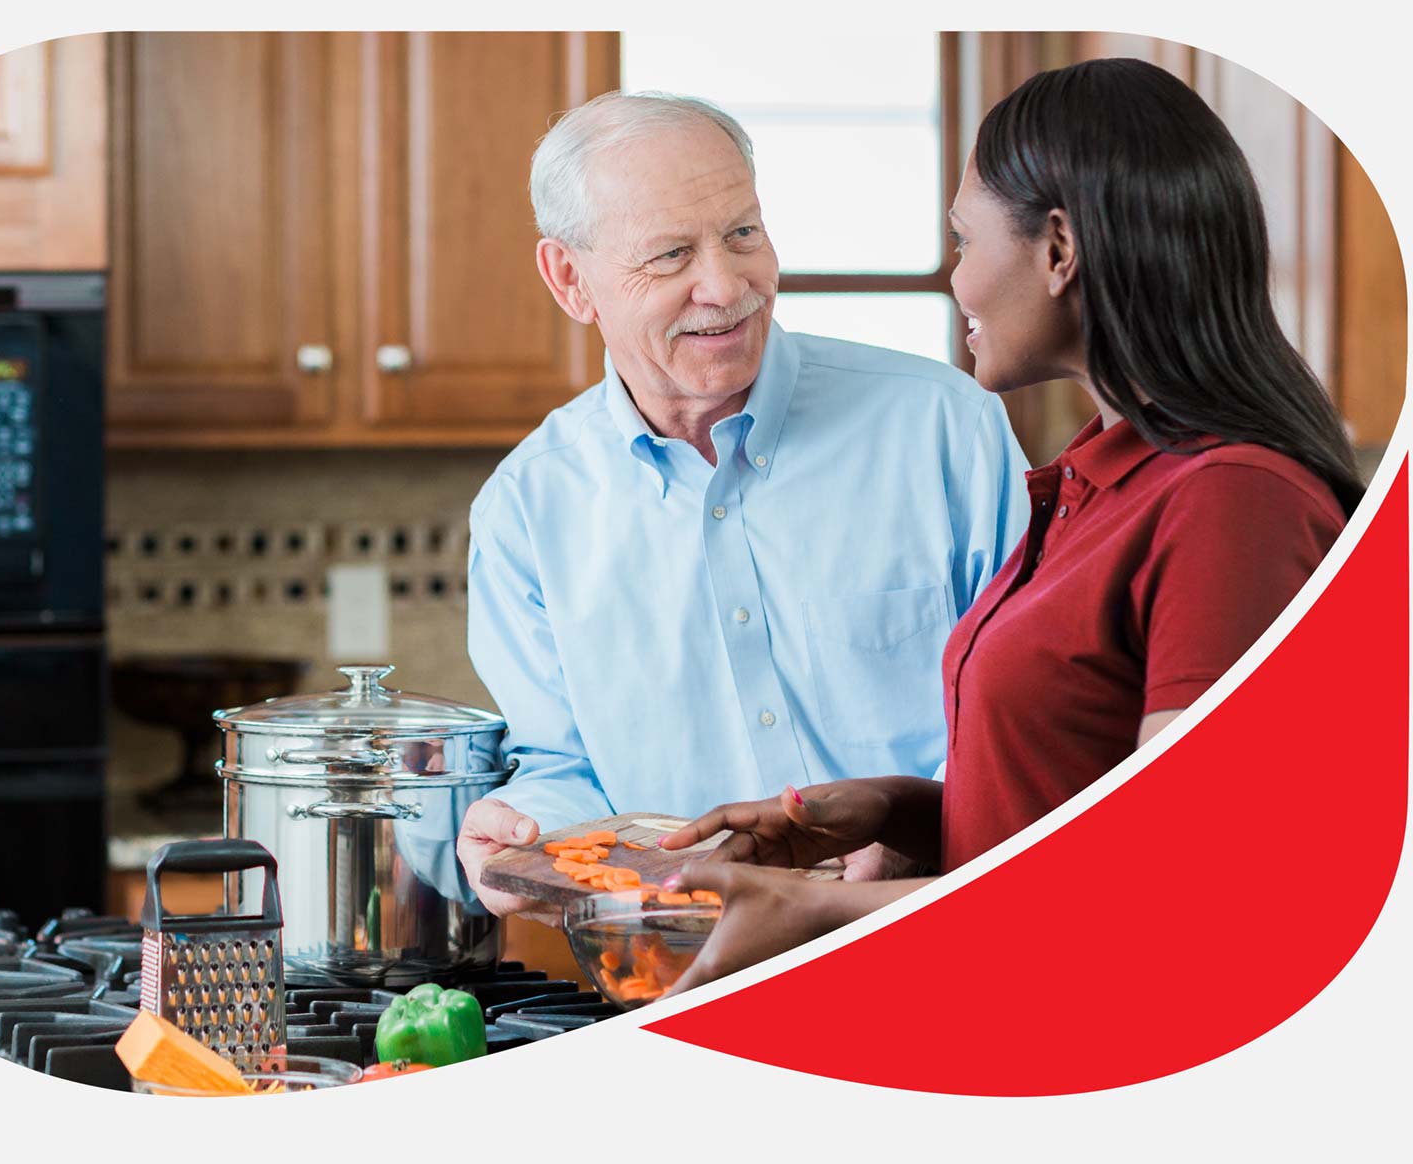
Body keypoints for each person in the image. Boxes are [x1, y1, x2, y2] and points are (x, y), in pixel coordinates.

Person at [660, 57, 1361, 990]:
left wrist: (819, 908)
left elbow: (1174, 878)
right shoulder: (1095, 484)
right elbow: (1067, 798)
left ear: (1058, 250)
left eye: (963, 242)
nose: (959, 283)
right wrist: (896, 810)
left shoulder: (1233, 504)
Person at [458, 91, 1033, 916]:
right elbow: (563, 767)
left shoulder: (944, 427)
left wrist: (919, 827)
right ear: (571, 279)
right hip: (683, 967)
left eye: (742, 233)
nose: (726, 286)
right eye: (669, 256)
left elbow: (1025, 709)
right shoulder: (527, 509)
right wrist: (519, 836)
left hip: (938, 923)